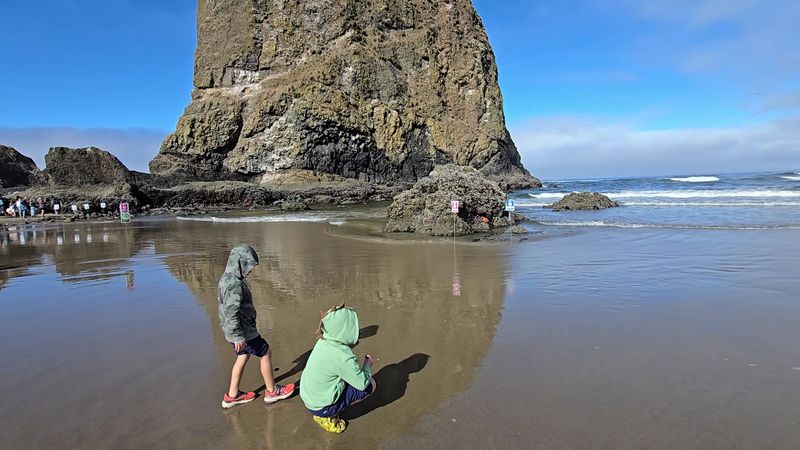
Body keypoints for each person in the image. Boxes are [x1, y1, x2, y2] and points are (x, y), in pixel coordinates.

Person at [218, 244, 295, 409]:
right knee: (265, 352)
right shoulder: (235, 285)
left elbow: (224, 309)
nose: (250, 271)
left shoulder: (226, 278)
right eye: (248, 266)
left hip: (232, 332)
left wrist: (233, 334)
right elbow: (231, 312)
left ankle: (232, 395)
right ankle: (272, 391)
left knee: (243, 356)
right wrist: (238, 335)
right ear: (239, 263)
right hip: (244, 332)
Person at [299, 303, 376, 433]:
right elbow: (362, 383)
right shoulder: (344, 357)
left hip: (308, 396)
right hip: (320, 406)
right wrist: (367, 365)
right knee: (371, 385)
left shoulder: (323, 341)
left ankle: (327, 409)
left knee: (343, 377)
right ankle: (327, 416)